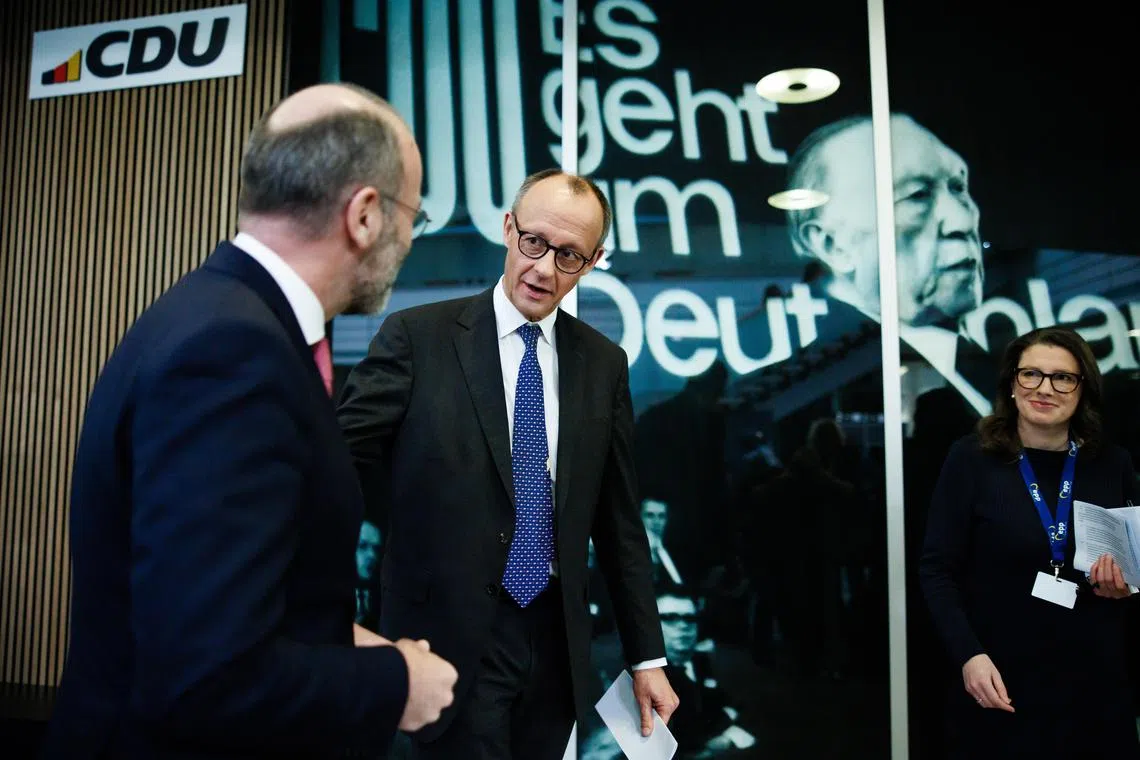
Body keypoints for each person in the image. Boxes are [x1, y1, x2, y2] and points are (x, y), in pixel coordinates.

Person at [41, 84, 458, 759]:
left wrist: (335, 636)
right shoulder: (233, 355)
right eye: (413, 212)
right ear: (365, 215)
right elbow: (206, 677)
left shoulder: (216, 315)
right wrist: (397, 681)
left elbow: (214, 598)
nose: (410, 236)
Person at [336, 168, 679, 759]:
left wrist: (646, 656)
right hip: (443, 639)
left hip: (554, 646)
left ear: (593, 261)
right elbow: (333, 467)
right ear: (508, 228)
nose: (545, 268)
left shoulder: (603, 365)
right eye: (534, 242)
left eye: (569, 255)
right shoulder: (416, 339)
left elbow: (619, 522)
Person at [919, 326, 1140, 759]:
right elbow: (936, 569)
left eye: (1062, 377)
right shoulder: (972, 459)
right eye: (1031, 374)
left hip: (1094, 685)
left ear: (1083, 390)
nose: (1045, 388)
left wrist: (1125, 587)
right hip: (1000, 678)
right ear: (1012, 384)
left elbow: (1133, 571)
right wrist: (969, 656)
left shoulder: (1112, 463)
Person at [783, 113, 993, 415]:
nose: (963, 219)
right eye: (917, 196)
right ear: (832, 244)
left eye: (958, 187)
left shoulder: (985, 363)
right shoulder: (834, 393)